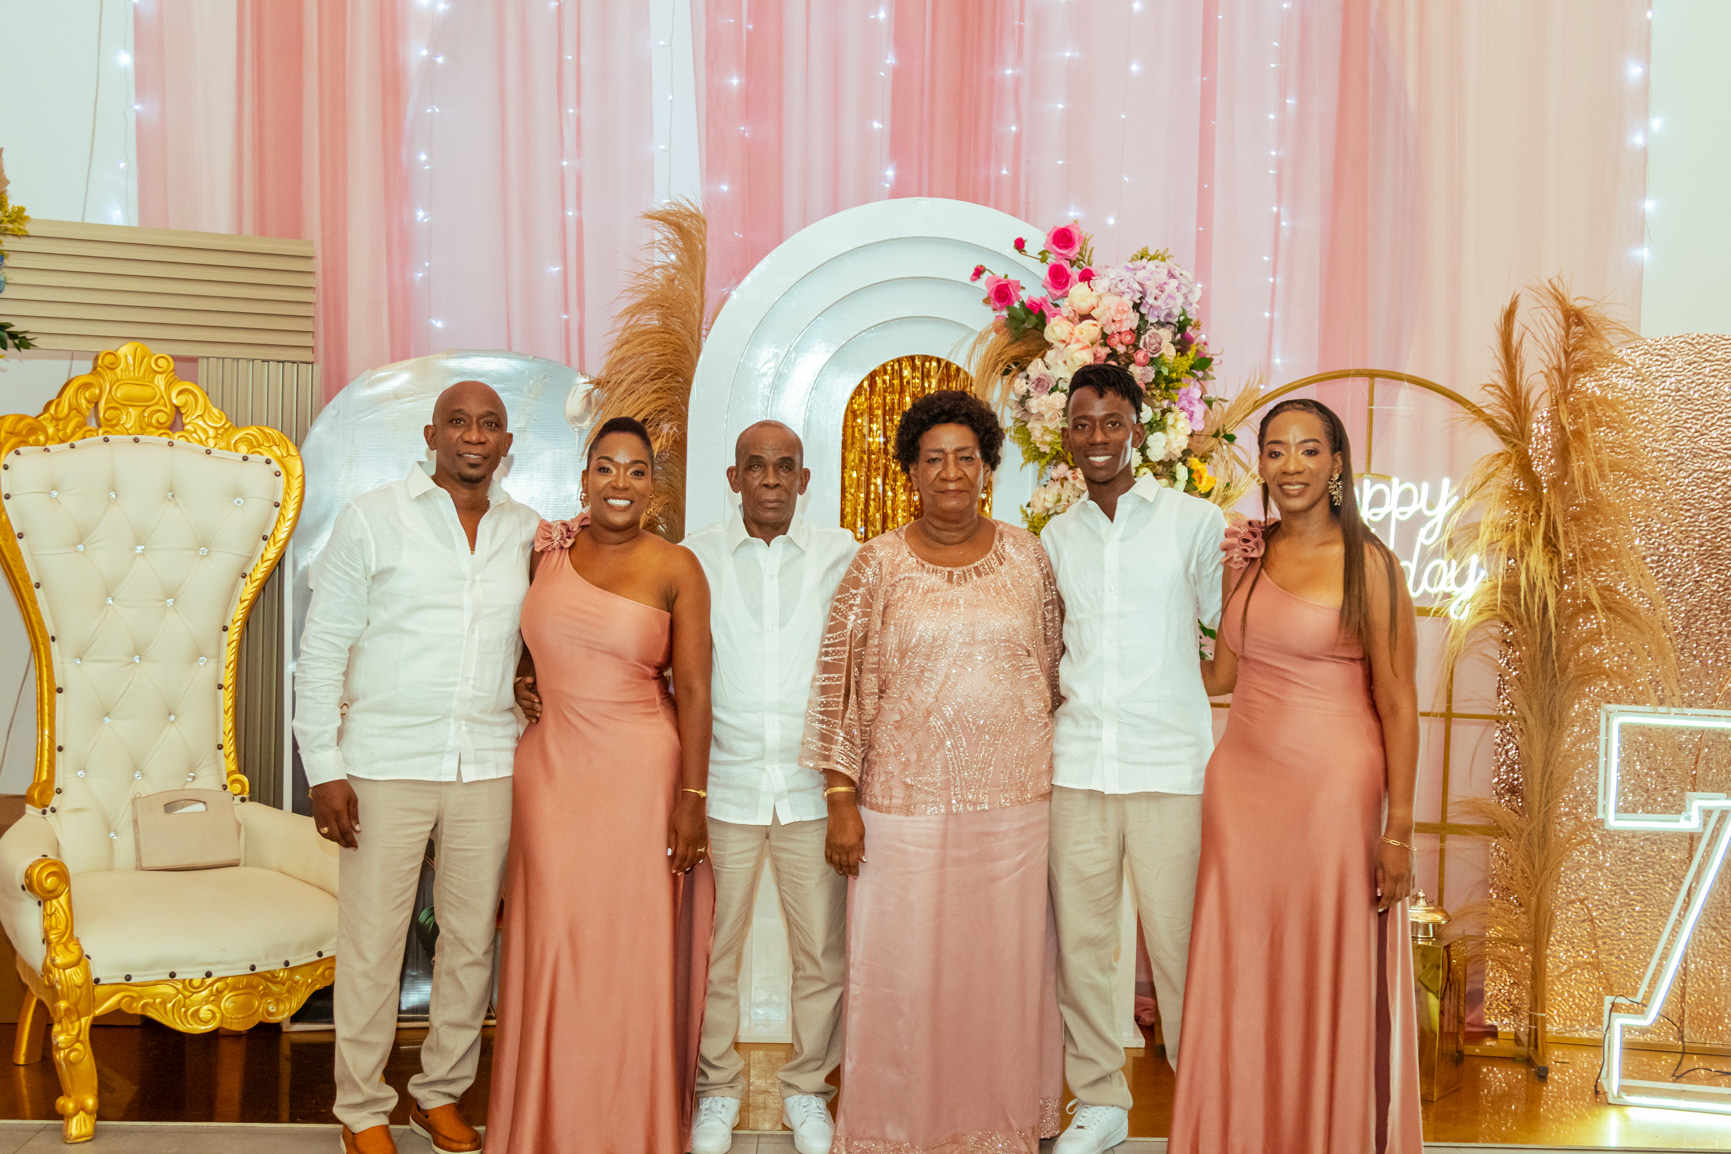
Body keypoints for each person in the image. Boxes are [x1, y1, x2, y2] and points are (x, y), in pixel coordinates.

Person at [803, 389, 1065, 1154]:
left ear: (987, 467)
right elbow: (836, 682)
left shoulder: (1028, 556)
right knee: (901, 974)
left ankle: (998, 1127)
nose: (950, 472)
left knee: (1000, 973)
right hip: (900, 807)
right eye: (933, 459)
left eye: (965, 458)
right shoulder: (876, 563)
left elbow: (1052, 667)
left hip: (1013, 806)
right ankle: (894, 1130)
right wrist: (840, 796)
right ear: (910, 473)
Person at [1170, 397, 1422, 1153]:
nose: (1290, 466)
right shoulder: (1249, 552)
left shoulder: (1370, 564)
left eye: (1308, 450)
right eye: (1275, 450)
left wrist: (1399, 830)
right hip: (1241, 786)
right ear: (1261, 464)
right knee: (1243, 964)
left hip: (1331, 793)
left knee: (1319, 965)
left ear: (1336, 463)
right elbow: (1222, 675)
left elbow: (1398, 703)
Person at [295, 380, 540, 1154]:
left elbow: (539, 638)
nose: (474, 435)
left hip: (488, 764)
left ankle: (439, 1096)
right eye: (458, 422)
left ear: (507, 444)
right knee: (373, 943)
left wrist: (529, 679)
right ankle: (361, 1108)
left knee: (470, 943)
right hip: (382, 763)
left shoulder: (529, 533)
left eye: (490, 424)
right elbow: (322, 649)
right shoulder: (372, 518)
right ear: (431, 435)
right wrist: (323, 767)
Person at [487, 416, 716, 1154]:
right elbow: (531, 641)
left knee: (629, 957)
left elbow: (696, 691)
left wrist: (692, 799)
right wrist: (524, 677)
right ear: (584, 477)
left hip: (640, 780)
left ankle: (629, 1131)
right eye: (606, 468)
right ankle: (545, 1128)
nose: (620, 483)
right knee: (553, 946)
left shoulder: (677, 567)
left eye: (636, 470)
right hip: (551, 777)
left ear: (653, 486)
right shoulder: (545, 549)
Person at [1038, 363, 1226, 1154]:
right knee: (1082, 950)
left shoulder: (1194, 522)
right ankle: (1099, 1102)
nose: (1096, 438)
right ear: (1066, 436)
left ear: (1137, 432)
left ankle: (1204, 1102)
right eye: (1081, 424)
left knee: (1182, 948)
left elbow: (1231, 629)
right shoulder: (1054, 537)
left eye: (1110, 422)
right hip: (1078, 766)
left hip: (1169, 768)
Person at [681, 422, 858, 1154]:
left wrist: (845, 791)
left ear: (804, 480)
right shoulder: (694, 556)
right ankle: (716, 1091)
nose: (771, 480)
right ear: (733, 478)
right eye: (756, 466)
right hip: (721, 786)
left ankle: (808, 1089)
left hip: (810, 789)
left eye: (785, 467)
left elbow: (856, 673)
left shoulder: (842, 554)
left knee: (822, 954)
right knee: (714, 953)